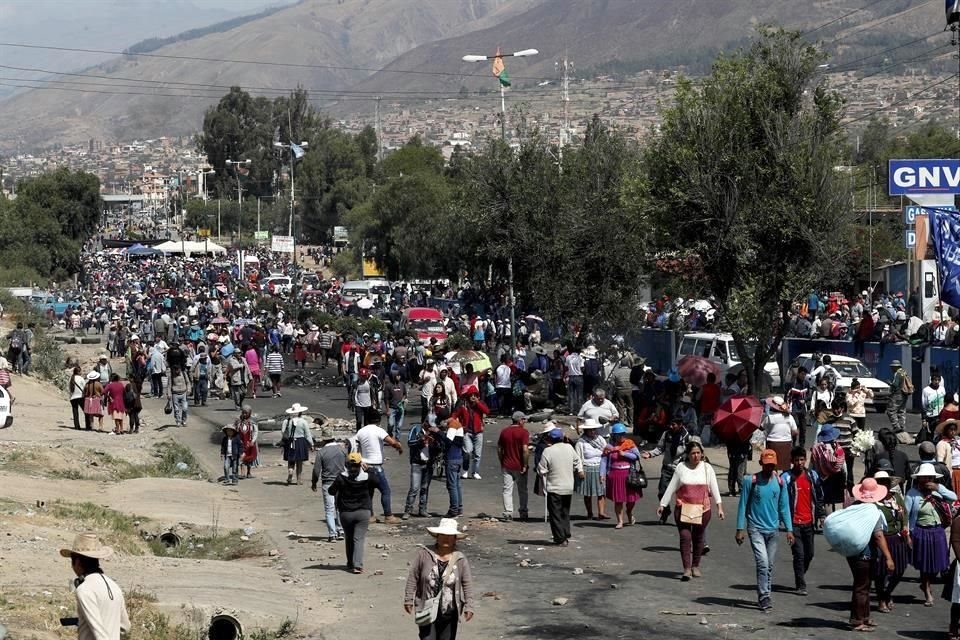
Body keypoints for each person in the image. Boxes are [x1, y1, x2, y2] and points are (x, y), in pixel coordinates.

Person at [735, 449, 795, 612]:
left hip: (773, 530)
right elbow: (742, 505)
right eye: (766, 465)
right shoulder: (751, 481)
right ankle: (764, 596)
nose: (769, 468)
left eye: (772, 465)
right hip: (755, 528)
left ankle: (766, 594)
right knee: (763, 562)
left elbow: (784, 507)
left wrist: (789, 529)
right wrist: (740, 528)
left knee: (769, 565)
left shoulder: (780, 483)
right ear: (761, 464)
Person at [658, 439, 724, 580]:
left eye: (698, 453)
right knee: (685, 537)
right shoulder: (681, 467)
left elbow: (714, 487)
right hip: (683, 509)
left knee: (698, 538)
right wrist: (663, 504)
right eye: (693, 453)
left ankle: (695, 565)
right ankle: (686, 568)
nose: (696, 456)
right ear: (687, 455)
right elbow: (672, 487)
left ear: (702, 454)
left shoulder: (707, 468)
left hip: (703, 510)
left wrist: (719, 506)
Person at [403, 518, 475, 640]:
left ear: (455, 539)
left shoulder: (460, 559)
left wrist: (469, 606)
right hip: (426, 608)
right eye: (443, 535)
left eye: (450, 536)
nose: (446, 539)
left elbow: (467, 584)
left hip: (449, 611)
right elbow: (413, 577)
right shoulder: (424, 554)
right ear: (437, 537)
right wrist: (408, 599)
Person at [844, 478, 896, 632]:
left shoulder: (853, 507)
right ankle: (858, 620)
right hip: (866, 554)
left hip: (853, 553)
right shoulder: (873, 512)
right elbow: (878, 536)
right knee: (862, 587)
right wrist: (888, 557)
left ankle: (864, 617)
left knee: (863, 586)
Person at [60, 532, 130, 640]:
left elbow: (99, 633)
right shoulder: (114, 586)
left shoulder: (85, 589)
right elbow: (125, 627)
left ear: (77, 562)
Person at [906, 463, 958, 606]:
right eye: (924, 477)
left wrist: (938, 488)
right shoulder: (912, 494)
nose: (927, 480)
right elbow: (906, 516)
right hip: (921, 532)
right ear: (919, 478)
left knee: (938, 563)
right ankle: (927, 591)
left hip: (938, 531)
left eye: (930, 477)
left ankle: (926, 583)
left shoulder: (938, 491)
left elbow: (954, 497)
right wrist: (907, 535)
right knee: (925, 565)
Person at [328, 452, 377, 574]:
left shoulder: (341, 477)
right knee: (358, 539)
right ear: (361, 464)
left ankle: (350, 563)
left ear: (347, 464)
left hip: (346, 513)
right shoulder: (367, 477)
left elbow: (331, 491)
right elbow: (378, 483)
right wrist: (370, 470)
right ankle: (358, 565)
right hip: (363, 512)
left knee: (349, 538)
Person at [782, 447, 822, 595]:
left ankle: (800, 574)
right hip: (794, 524)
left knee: (809, 554)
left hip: (809, 522)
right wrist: (785, 524)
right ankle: (800, 585)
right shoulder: (786, 478)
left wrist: (821, 515)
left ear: (805, 460)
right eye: (796, 460)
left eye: (802, 459)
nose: (799, 463)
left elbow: (819, 497)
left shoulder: (812, 476)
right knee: (799, 554)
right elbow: (781, 500)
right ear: (792, 461)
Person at [872, 469, 910, 614]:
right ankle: (881, 599)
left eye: (886, 482)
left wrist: (905, 526)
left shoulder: (896, 497)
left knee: (899, 569)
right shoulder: (873, 502)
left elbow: (904, 513)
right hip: (881, 538)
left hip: (897, 538)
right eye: (880, 483)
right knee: (881, 571)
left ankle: (887, 593)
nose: (884, 485)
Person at [538, 427, 582, 546]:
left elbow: (541, 469)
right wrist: (579, 470)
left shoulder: (548, 451)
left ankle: (560, 538)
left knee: (555, 514)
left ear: (550, 439)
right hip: (568, 486)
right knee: (565, 512)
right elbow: (577, 462)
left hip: (554, 487)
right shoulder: (569, 448)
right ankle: (565, 533)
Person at [355, 416, 404, 523]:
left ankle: (370, 516)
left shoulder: (361, 431)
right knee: (385, 491)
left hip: (365, 467)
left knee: (369, 492)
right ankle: (388, 516)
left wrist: (360, 461)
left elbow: (354, 447)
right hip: (376, 468)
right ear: (379, 421)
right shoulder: (379, 430)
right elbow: (392, 442)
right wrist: (399, 447)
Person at [643, 417, 691, 523]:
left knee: (682, 496)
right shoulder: (666, 434)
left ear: (680, 425)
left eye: (674, 425)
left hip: (680, 470)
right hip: (667, 468)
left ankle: (682, 518)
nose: (671, 426)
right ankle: (665, 511)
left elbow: (690, 452)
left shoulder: (686, 436)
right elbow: (660, 448)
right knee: (662, 492)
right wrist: (650, 454)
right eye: (670, 424)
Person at [605, 422, 642, 527]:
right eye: (618, 435)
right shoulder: (609, 446)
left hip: (629, 475)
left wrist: (625, 454)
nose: (621, 436)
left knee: (631, 499)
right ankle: (620, 521)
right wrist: (602, 474)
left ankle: (629, 511)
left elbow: (637, 456)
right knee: (618, 500)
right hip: (615, 475)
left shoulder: (630, 443)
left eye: (622, 434)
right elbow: (604, 460)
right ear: (614, 435)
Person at [498, 411, 531, 521]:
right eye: (524, 419)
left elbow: (499, 448)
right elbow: (525, 450)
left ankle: (508, 512)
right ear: (520, 421)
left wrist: (502, 461)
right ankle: (523, 511)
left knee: (507, 489)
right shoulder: (524, 432)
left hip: (507, 465)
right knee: (522, 490)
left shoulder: (504, 432)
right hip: (519, 465)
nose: (525, 421)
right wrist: (525, 465)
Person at [312, 437, 346, 542]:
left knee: (329, 509)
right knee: (340, 507)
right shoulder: (342, 450)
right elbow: (349, 465)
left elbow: (316, 470)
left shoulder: (321, 452)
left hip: (328, 482)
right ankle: (341, 531)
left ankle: (332, 534)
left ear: (324, 440)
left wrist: (314, 482)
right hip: (341, 481)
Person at [403, 421, 440, 519]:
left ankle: (423, 509)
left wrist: (433, 442)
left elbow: (440, 447)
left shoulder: (435, 433)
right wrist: (422, 440)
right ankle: (408, 510)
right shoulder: (416, 430)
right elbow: (410, 442)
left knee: (425, 488)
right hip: (417, 463)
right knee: (414, 488)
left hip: (428, 464)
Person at [451, 385, 489, 480]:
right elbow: (455, 414)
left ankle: (475, 472)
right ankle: (465, 470)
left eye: (475, 395)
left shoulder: (480, 404)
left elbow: (487, 411)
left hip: (478, 432)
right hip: (467, 432)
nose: (473, 397)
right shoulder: (464, 405)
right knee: (467, 451)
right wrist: (451, 422)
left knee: (477, 454)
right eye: (471, 395)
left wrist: (478, 403)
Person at [575, 419, 608, 520]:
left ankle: (601, 512)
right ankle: (589, 513)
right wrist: (580, 470)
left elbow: (606, 451)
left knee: (601, 492)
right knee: (588, 494)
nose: (593, 431)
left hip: (599, 468)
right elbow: (578, 458)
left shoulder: (600, 439)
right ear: (586, 430)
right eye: (590, 430)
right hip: (587, 468)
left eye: (594, 429)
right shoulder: (581, 442)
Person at [281, 403, 314, 485]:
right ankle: (299, 480)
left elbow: (283, 432)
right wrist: (311, 444)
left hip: (291, 442)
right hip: (300, 442)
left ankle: (290, 471)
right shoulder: (303, 422)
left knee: (291, 459)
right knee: (299, 461)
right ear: (300, 412)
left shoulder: (287, 421)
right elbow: (307, 434)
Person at [762, 396, 797, 471]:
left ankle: (774, 477)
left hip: (772, 443)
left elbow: (762, 427)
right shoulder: (789, 417)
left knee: (772, 465)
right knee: (785, 466)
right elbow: (795, 431)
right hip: (786, 443)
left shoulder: (770, 417)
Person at [786, 366, 811, 447]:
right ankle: (793, 443)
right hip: (794, 407)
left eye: (805, 374)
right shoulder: (793, 383)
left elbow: (809, 395)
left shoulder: (806, 383)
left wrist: (805, 400)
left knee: (803, 428)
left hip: (802, 408)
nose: (803, 376)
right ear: (798, 373)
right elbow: (787, 395)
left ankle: (802, 445)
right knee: (795, 426)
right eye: (802, 374)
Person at [234, 404, 259, 479]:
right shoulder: (239, 421)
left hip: (250, 443)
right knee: (241, 457)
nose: (244, 414)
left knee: (250, 457)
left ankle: (249, 472)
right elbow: (235, 430)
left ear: (250, 413)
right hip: (241, 442)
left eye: (246, 413)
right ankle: (242, 473)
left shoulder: (252, 422)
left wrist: (253, 441)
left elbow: (255, 432)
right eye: (243, 412)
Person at [887, 360, 911, 433]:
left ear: (895, 367)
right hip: (904, 394)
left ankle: (896, 426)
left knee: (891, 411)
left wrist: (890, 383)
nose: (891, 369)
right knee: (901, 411)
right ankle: (902, 426)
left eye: (892, 367)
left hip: (897, 394)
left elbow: (895, 384)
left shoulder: (897, 373)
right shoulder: (904, 372)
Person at [383, 371, 408, 440]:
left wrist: (403, 399)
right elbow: (386, 399)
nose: (399, 377)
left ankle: (397, 439)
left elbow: (405, 394)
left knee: (399, 425)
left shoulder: (402, 384)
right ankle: (390, 434)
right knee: (391, 424)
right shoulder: (388, 386)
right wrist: (387, 410)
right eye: (397, 375)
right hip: (391, 408)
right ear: (393, 376)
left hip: (400, 408)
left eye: (399, 375)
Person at [937, 419, 960, 491]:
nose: (953, 431)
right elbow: (940, 462)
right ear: (946, 430)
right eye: (951, 429)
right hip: (952, 473)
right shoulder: (942, 444)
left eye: (954, 429)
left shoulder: (958, 442)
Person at [68, 366, 85, 430]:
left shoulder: (71, 378)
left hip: (73, 397)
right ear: (78, 372)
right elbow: (84, 387)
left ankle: (77, 426)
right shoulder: (81, 378)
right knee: (85, 411)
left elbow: (69, 388)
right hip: (80, 396)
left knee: (75, 412)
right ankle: (88, 425)